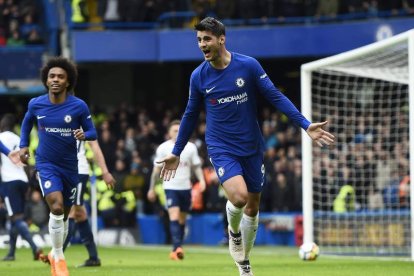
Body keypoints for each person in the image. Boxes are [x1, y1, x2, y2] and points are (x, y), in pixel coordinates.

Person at [157, 17, 335, 276]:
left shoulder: (248, 66)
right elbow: (190, 115)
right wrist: (176, 151)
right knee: (239, 198)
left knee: (252, 207)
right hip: (221, 147)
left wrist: (305, 125)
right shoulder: (198, 77)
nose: (202, 45)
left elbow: (275, 95)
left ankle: (244, 264)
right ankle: (233, 232)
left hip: (252, 146)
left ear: (221, 39)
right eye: (199, 40)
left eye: (207, 39)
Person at [19, 57, 97, 276]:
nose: (55, 79)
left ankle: (55, 253)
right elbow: (26, 123)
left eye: (60, 77)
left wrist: (84, 134)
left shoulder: (78, 106)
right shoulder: (36, 104)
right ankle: (59, 256)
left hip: (70, 167)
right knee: (56, 207)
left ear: (68, 81)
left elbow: (93, 132)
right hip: (46, 164)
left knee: (63, 217)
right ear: (46, 80)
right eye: (52, 76)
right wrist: (23, 144)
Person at [147, 120, 206, 260]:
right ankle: (177, 248)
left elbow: (196, 166)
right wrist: (151, 188)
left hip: (186, 187)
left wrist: (202, 180)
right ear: (168, 133)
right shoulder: (163, 148)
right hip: (170, 187)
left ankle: (176, 248)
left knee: (181, 219)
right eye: (174, 130)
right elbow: (156, 170)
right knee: (174, 215)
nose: (177, 133)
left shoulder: (190, 147)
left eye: (180, 130)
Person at [62, 139, 116, 267]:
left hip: (78, 170)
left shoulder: (82, 120)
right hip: (62, 170)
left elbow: (94, 145)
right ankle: (93, 257)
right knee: (80, 213)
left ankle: (57, 255)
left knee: (73, 211)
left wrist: (105, 172)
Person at [0, 113, 43, 261]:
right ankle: (11, 253)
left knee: (15, 217)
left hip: (8, 182)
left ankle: (34, 247)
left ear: (3, 124)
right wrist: (30, 185)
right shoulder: (19, 139)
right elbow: (27, 163)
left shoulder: (1, 138)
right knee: (15, 218)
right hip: (22, 181)